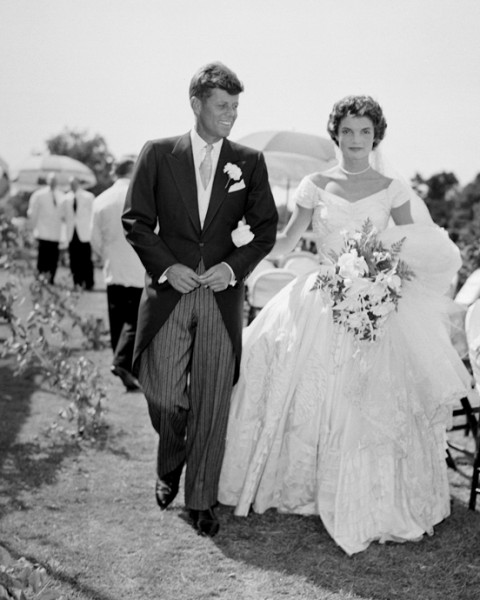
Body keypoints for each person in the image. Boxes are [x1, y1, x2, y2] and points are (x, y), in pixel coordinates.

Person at [218, 95, 472, 555]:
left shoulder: (392, 188)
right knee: (293, 379)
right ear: (336, 133)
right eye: (349, 131)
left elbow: (412, 244)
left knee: (371, 395)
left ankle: (371, 489)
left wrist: (381, 275)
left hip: (374, 300)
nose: (356, 140)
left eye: (365, 132)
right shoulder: (315, 184)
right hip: (320, 296)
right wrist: (240, 244)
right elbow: (289, 238)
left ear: (377, 136)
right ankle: (300, 483)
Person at [122, 62, 278, 538]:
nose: (230, 114)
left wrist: (231, 268)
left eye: (235, 106)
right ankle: (170, 459)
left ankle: (202, 499)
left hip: (222, 296)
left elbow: (266, 229)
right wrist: (169, 266)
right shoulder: (157, 153)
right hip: (170, 292)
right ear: (196, 104)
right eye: (221, 105)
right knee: (165, 393)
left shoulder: (249, 161)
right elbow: (136, 221)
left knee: (212, 399)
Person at [90, 156, 145, 392]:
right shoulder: (142, 196)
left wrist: (108, 255)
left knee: (118, 320)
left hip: (113, 269)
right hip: (139, 266)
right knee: (135, 319)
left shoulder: (101, 199)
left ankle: (121, 364)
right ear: (133, 171)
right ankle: (124, 364)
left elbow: (94, 239)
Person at [27, 172, 66, 284]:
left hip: (56, 233)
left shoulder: (62, 196)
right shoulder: (39, 195)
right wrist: (32, 228)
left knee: (53, 258)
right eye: (51, 180)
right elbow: (32, 212)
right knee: (43, 257)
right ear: (47, 181)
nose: (53, 182)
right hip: (43, 231)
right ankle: (40, 277)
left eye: (55, 180)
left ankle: (51, 278)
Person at [65, 176, 95, 290]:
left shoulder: (88, 196)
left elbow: (93, 214)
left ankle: (89, 283)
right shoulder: (66, 198)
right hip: (72, 233)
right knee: (74, 260)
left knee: (86, 260)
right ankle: (76, 282)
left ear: (78, 183)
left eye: (74, 183)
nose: (72, 185)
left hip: (84, 233)